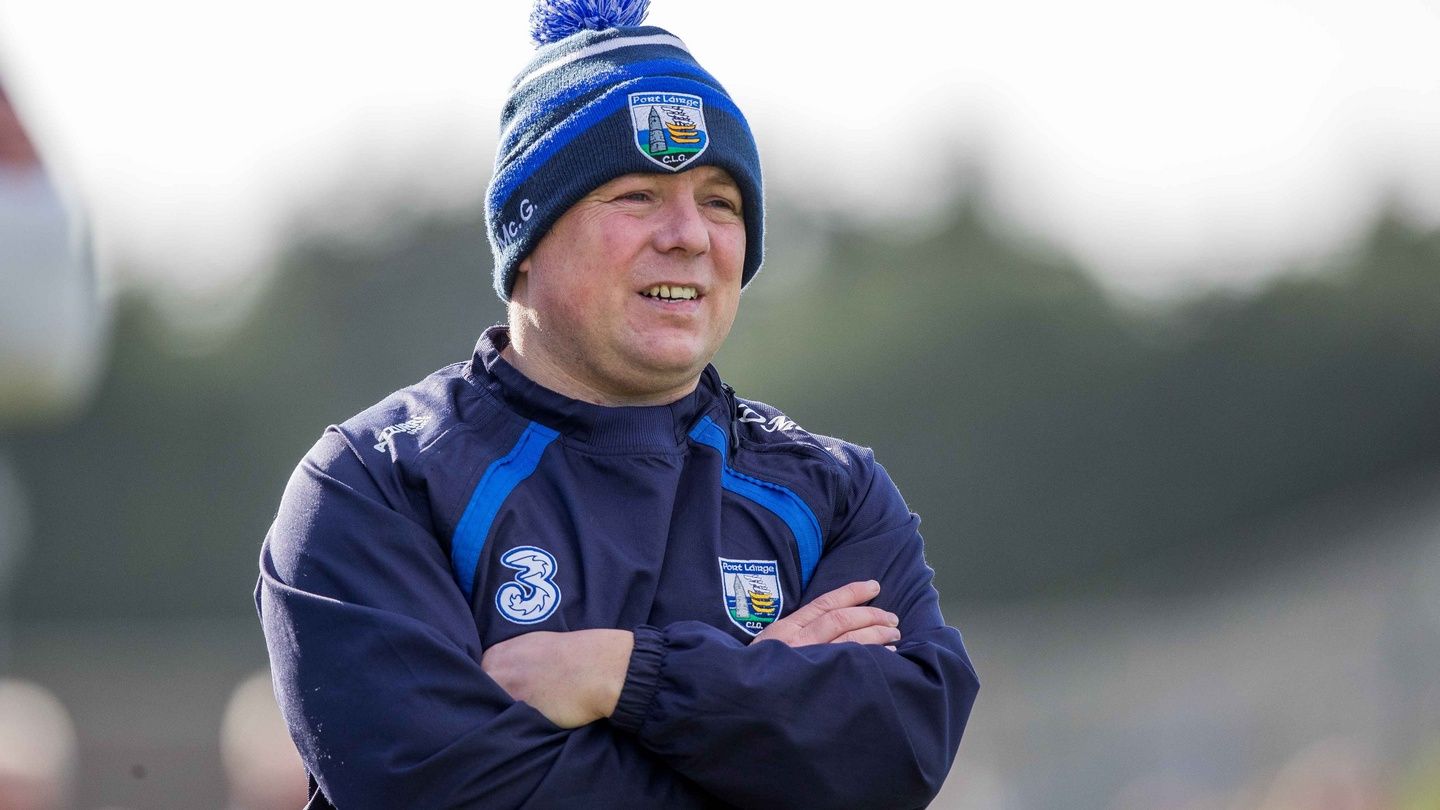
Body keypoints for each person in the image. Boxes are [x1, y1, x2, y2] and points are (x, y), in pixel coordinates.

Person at [256, 2, 979, 807]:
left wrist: (623, 675)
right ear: (527, 239)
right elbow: (453, 794)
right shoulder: (375, 484)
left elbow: (897, 756)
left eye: (721, 201)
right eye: (637, 195)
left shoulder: (834, 494)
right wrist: (760, 712)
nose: (689, 236)